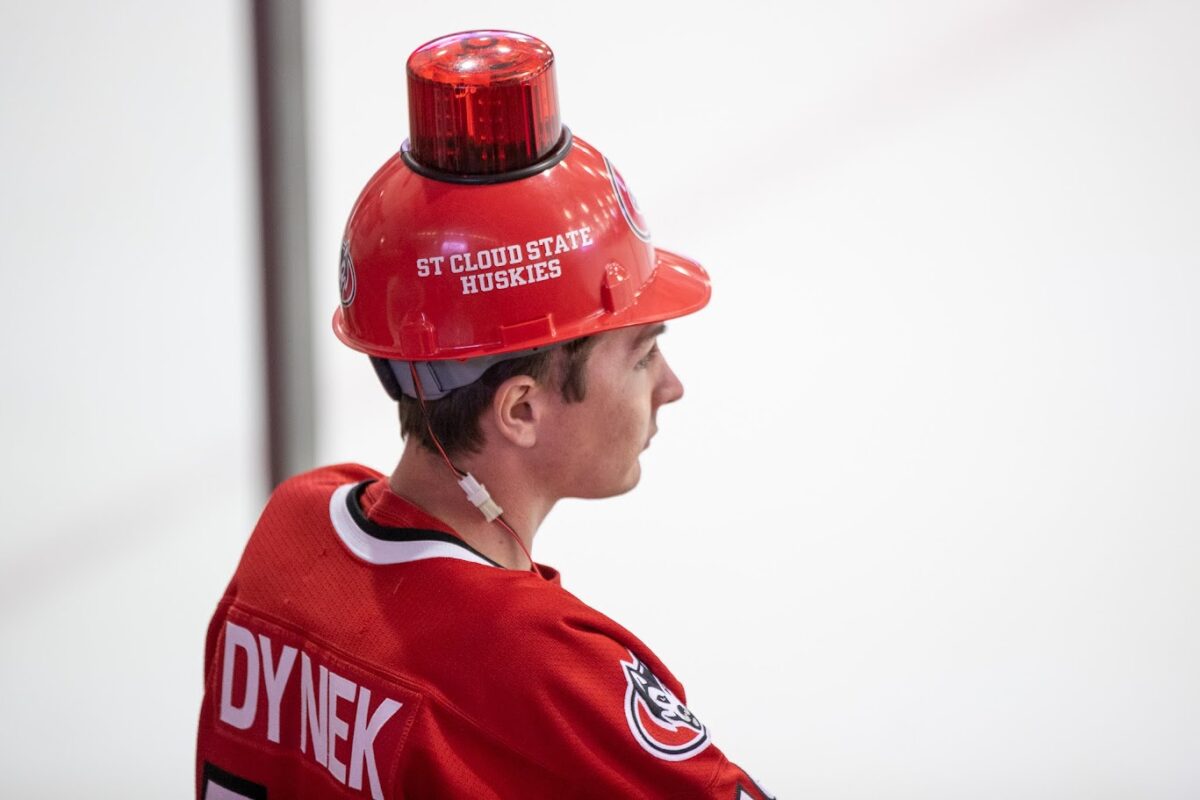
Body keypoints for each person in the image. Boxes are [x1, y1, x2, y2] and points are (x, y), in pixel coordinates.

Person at [196, 30, 774, 799]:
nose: (670, 385)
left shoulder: (289, 535)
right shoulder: (544, 669)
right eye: (641, 353)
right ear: (522, 409)